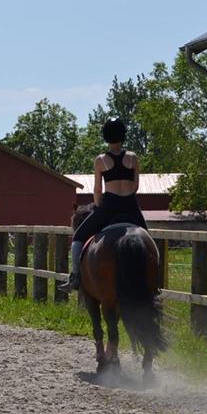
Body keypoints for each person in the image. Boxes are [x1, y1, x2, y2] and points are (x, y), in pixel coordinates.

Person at [58, 118, 147, 292]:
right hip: (131, 206)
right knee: (149, 241)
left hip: (110, 207)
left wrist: (98, 207)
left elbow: (98, 190)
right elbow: (135, 187)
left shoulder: (101, 160)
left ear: (106, 136)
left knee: (78, 239)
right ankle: (155, 282)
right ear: (123, 135)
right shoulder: (133, 158)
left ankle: (75, 277)